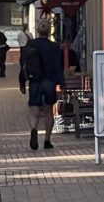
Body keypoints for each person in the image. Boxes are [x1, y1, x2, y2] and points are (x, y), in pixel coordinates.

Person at [19, 19, 66, 150]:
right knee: (49, 111)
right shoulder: (54, 46)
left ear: (38, 31)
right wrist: (61, 83)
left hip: (34, 81)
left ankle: (34, 129)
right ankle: (47, 141)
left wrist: (22, 82)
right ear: (49, 31)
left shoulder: (31, 44)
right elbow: (58, 66)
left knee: (34, 109)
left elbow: (23, 64)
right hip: (49, 81)